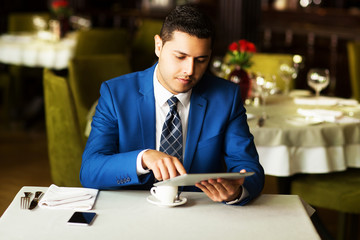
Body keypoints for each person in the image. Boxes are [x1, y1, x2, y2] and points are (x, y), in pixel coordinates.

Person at [80, 4, 264, 205]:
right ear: (158, 46)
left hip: (201, 215)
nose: (190, 70)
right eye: (180, 57)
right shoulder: (116, 94)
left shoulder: (226, 97)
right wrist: (143, 158)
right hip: (132, 215)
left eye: (201, 60)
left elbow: (249, 169)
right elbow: (90, 171)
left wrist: (237, 190)